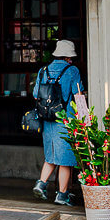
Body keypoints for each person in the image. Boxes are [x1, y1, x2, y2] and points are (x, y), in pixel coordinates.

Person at [32, 39, 85, 206]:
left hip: (48, 119)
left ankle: (41, 184)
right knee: (66, 160)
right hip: (66, 119)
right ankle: (62, 195)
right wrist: (85, 118)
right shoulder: (72, 70)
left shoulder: (43, 70)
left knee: (51, 154)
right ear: (69, 57)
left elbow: (35, 94)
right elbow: (78, 94)